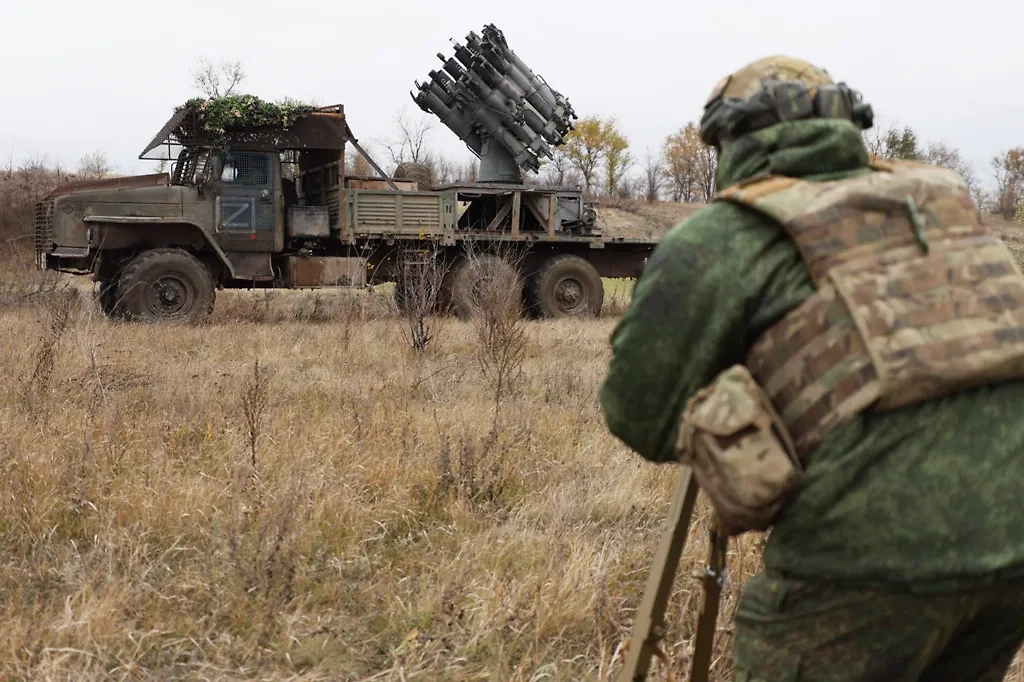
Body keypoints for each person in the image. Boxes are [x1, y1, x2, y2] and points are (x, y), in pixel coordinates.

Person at [599, 55, 1024, 681]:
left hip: (864, 566)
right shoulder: (939, 206)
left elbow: (637, 412)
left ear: (731, 141)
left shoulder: (723, 236)